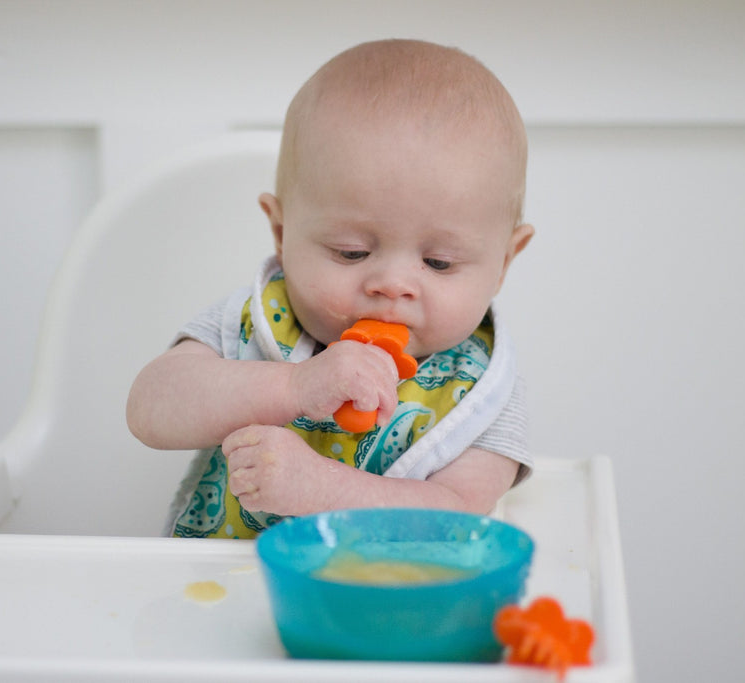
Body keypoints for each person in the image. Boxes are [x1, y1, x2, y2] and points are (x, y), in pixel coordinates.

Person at [126, 39, 535, 539]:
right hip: (211, 579)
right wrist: (294, 386)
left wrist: (321, 488)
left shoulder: (483, 390)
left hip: (385, 589)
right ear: (282, 233)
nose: (392, 285)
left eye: (438, 262)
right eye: (351, 252)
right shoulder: (259, 320)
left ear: (504, 261)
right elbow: (148, 409)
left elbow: (454, 516)